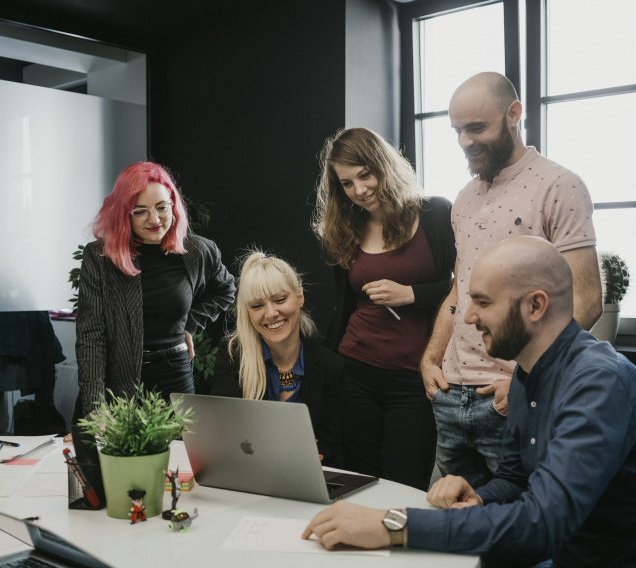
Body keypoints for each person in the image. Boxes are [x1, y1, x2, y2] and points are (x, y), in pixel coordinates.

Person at [303, 236, 636, 566]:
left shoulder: (598, 382)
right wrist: (479, 497)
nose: (469, 317)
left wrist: (394, 525)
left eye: (484, 302)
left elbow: (542, 525)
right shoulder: (525, 374)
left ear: (535, 305)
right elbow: (515, 480)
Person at [420, 72, 603, 488]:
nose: (465, 141)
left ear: (514, 114)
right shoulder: (464, 198)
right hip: (450, 395)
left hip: (509, 397)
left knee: (522, 529)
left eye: (477, 128)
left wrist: (523, 382)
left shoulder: (559, 185)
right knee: (451, 528)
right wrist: (431, 359)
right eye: (457, 131)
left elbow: (587, 301)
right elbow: (459, 288)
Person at [312, 127, 455, 490]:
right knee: (361, 482)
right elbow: (344, 307)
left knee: (406, 486)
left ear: (384, 165)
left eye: (365, 174)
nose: (359, 190)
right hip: (355, 371)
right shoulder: (347, 227)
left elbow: (468, 287)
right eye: (346, 183)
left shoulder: (436, 214)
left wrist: (412, 295)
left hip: (415, 375)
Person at [75, 161, 235, 418]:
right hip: (119, 380)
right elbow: (91, 337)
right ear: (124, 214)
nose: (155, 219)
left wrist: (188, 324)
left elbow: (225, 289)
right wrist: (95, 407)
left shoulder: (197, 251)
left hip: (175, 374)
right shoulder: (100, 257)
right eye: (140, 211)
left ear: (173, 205)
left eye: (162, 207)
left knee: (183, 455)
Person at [211, 251, 343, 466]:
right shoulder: (233, 356)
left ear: (299, 297)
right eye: (257, 306)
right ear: (247, 312)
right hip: (247, 473)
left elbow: (329, 445)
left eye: (280, 300)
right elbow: (224, 434)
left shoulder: (331, 366)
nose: (271, 313)